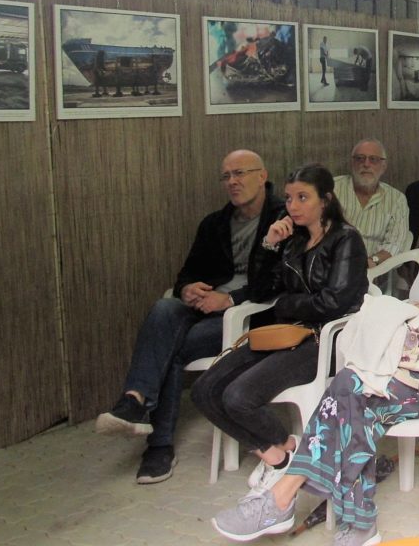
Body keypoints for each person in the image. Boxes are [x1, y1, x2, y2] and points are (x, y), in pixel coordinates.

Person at [211, 162, 419, 544]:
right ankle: (351, 523)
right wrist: (410, 317)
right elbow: (410, 325)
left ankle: (289, 500)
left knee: (351, 390)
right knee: (353, 396)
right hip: (404, 368)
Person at [94, 150, 283, 485]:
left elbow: (280, 281)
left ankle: (158, 443)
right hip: (204, 306)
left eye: (239, 173)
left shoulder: (283, 219)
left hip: (247, 314)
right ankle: (134, 400)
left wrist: (230, 299)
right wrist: (186, 289)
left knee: (174, 347)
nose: (232, 182)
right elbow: (186, 273)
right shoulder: (214, 224)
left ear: (262, 175)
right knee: (164, 307)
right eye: (225, 176)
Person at [191, 164, 368, 496]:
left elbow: (335, 302)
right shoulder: (292, 240)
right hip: (283, 333)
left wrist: (287, 304)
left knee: (239, 396)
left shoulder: (346, 239)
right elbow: (260, 292)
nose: (293, 206)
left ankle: (282, 458)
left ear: (326, 200)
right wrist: (269, 245)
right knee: (204, 390)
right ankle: (282, 454)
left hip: (323, 341)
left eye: (303, 198)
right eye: (288, 198)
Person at [335, 139, 411, 269]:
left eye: (373, 159)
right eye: (360, 158)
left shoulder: (396, 199)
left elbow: (395, 243)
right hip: (333, 266)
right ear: (352, 163)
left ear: (383, 166)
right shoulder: (333, 189)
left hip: (374, 272)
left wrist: (372, 261)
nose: (366, 164)